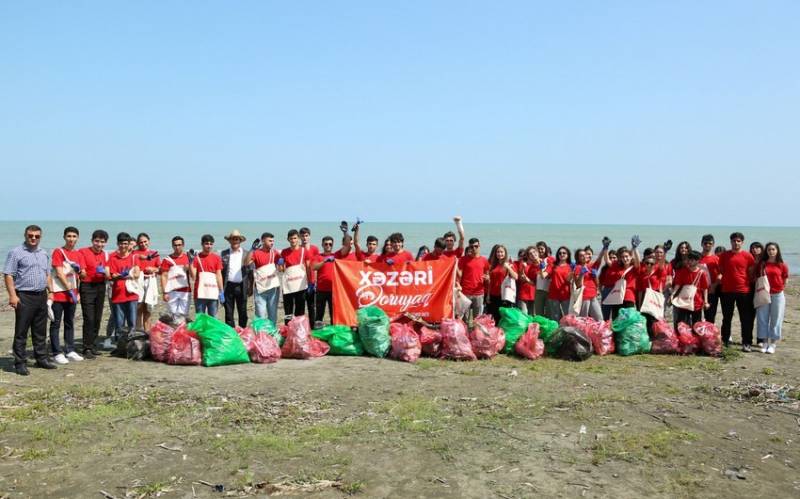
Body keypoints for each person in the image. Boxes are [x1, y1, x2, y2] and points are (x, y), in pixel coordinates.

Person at [4, 225, 54, 375]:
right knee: (21, 331)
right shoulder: (16, 252)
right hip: (24, 296)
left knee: (40, 330)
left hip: (41, 295)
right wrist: (13, 295)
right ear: (25, 235)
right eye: (30, 235)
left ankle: (41, 359)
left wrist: (51, 291)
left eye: (36, 236)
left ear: (40, 237)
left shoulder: (44, 253)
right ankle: (19, 362)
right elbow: (8, 275)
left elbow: (47, 274)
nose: (33, 238)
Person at [49, 226, 84, 364]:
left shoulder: (78, 254)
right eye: (69, 236)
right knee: (55, 323)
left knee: (69, 322)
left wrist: (78, 291)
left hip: (72, 294)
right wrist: (68, 287)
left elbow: (80, 275)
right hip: (59, 293)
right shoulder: (59, 251)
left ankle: (70, 350)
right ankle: (56, 352)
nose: (71, 239)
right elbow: (58, 272)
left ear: (77, 238)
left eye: (74, 236)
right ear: (64, 237)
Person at [719, 232, 756, 351]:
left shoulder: (748, 256)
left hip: (744, 291)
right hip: (727, 291)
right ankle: (725, 341)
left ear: (742, 242)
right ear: (730, 242)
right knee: (727, 317)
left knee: (745, 318)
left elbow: (751, 273)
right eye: (734, 241)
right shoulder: (724, 256)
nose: (736, 243)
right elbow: (722, 271)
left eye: (738, 241)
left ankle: (746, 342)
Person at [77, 230, 110, 358]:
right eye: (97, 241)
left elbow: (108, 271)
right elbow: (82, 270)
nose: (99, 244)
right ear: (92, 241)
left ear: (105, 243)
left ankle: (93, 344)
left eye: (102, 242)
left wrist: (107, 273)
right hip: (87, 286)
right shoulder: (83, 252)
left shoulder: (105, 255)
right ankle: (86, 348)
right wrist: (82, 272)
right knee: (89, 318)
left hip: (100, 286)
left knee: (97, 317)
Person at [108, 232, 141, 343]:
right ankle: (120, 345)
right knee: (119, 323)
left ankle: (131, 343)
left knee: (132, 322)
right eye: (121, 243)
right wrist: (127, 275)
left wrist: (121, 276)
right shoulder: (113, 258)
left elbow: (136, 274)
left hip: (132, 294)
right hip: (118, 294)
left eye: (125, 243)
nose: (123, 246)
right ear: (118, 243)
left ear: (129, 244)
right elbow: (112, 275)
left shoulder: (133, 258)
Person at [755, 242, 788, 354]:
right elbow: (757, 276)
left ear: (777, 250)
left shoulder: (782, 264)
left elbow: (785, 277)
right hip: (764, 293)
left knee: (776, 319)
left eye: (773, 249)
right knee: (762, 318)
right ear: (766, 251)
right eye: (769, 249)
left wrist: (781, 287)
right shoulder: (762, 264)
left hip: (778, 294)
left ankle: (773, 343)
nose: (771, 251)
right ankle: (764, 342)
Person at [601, 236, 641, 320]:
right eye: (623, 257)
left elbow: (638, 261)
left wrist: (635, 248)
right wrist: (606, 248)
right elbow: (607, 260)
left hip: (628, 297)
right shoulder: (618, 266)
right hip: (617, 296)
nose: (625, 258)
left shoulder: (634, 268)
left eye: (627, 256)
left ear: (631, 257)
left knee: (628, 320)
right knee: (616, 319)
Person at [246, 232, 281, 326]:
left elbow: (282, 269)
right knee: (260, 315)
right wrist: (251, 250)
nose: (272, 243)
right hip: (260, 289)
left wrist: (281, 263)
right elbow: (246, 263)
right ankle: (260, 336)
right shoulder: (256, 253)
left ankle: (272, 335)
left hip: (273, 289)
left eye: (273, 241)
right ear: (263, 240)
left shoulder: (275, 253)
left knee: (272, 315)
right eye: (270, 241)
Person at [221, 229, 252, 328]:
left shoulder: (246, 253)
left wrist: (251, 286)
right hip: (228, 286)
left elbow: (251, 271)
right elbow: (221, 271)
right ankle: (231, 333)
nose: (235, 241)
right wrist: (220, 289)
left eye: (237, 239)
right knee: (228, 313)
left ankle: (242, 332)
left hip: (242, 286)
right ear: (230, 241)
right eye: (233, 239)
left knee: (243, 311)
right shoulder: (224, 253)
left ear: (240, 241)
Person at [280, 229, 311, 323]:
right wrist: (280, 264)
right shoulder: (284, 252)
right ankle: (287, 332)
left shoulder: (304, 251)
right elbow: (282, 270)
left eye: (295, 238)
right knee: (288, 311)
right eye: (291, 238)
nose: (293, 240)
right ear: (288, 239)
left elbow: (308, 267)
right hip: (288, 286)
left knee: (300, 311)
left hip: (300, 286)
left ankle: (298, 332)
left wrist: (310, 282)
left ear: (298, 239)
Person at [671, 251, 709, 327]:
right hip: (684, 301)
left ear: (698, 260)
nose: (689, 261)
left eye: (692, 259)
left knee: (697, 324)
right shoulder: (683, 271)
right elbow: (678, 285)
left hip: (697, 302)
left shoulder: (702, 273)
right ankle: (683, 338)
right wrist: (672, 295)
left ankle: (696, 338)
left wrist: (705, 302)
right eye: (689, 259)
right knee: (681, 323)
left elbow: (705, 288)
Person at [160, 236, 192, 322]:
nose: (177, 247)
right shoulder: (167, 260)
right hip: (172, 291)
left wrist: (190, 267)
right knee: (173, 314)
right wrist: (164, 292)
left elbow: (194, 275)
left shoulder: (188, 258)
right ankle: (173, 333)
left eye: (179, 245)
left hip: (186, 291)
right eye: (175, 245)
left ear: (183, 245)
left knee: (183, 314)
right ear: (172, 246)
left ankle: (181, 333)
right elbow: (164, 276)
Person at [191, 234, 224, 316]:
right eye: (206, 243)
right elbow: (193, 276)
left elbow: (219, 275)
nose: (209, 246)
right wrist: (191, 263)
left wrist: (221, 291)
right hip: (200, 293)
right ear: (202, 244)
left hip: (213, 292)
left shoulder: (217, 258)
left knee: (213, 318)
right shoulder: (196, 258)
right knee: (200, 319)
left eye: (211, 244)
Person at [457, 238, 490, 321]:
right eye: (471, 246)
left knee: (477, 319)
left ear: (479, 246)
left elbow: (487, 276)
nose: (474, 248)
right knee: (465, 318)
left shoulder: (484, 260)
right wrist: (455, 266)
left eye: (476, 246)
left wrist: (487, 278)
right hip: (465, 292)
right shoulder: (463, 259)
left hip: (479, 293)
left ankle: (475, 334)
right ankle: (466, 333)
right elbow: (459, 275)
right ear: (469, 247)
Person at [133, 233, 160, 331]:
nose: (143, 244)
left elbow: (160, 269)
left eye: (145, 241)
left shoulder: (155, 253)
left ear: (149, 241)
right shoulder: (134, 253)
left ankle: (147, 332)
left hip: (150, 282)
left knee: (148, 309)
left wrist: (153, 269)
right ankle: (138, 331)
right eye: (140, 242)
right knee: (138, 308)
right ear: (137, 243)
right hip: (137, 282)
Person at [485, 244, 518, 323]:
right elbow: (490, 282)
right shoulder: (493, 265)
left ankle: (502, 333)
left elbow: (516, 277)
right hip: (493, 295)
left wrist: (509, 268)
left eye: (501, 252)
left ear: (505, 253)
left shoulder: (509, 265)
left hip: (504, 295)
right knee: (493, 316)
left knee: (503, 318)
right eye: (498, 252)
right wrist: (488, 295)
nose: (500, 254)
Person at [311, 236, 338, 328]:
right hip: (321, 289)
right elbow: (314, 267)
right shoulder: (318, 256)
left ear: (332, 245)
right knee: (319, 313)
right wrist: (325, 261)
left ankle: (333, 332)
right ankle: (318, 332)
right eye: (326, 244)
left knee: (333, 313)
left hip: (333, 290)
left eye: (330, 244)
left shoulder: (336, 256)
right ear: (322, 244)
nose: (328, 245)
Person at [574, 247, 602, 321]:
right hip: (584, 296)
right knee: (583, 319)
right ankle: (582, 332)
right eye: (581, 256)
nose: (584, 257)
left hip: (593, 295)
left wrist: (604, 248)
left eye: (585, 255)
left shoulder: (591, 266)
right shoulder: (577, 268)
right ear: (578, 258)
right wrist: (581, 274)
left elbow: (597, 283)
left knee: (599, 318)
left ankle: (600, 331)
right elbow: (578, 285)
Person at [546, 246, 573, 322]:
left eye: (564, 253)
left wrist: (572, 272)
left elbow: (568, 280)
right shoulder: (553, 265)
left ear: (568, 255)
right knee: (555, 316)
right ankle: (557, 332)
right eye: (560, 253)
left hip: (565, 293)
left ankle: (567, 332)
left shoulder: (570, 266)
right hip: (553, 294)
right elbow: (546, 276)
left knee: (567, 315)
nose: (562, 254)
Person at [299, 227, 320, 323]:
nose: (304, 238)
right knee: (301, 307)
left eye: (306, 235)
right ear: (299, 237)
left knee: (312, 306)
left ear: (309, 236)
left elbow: (317, 265)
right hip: (300, 282)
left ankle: (312, 326)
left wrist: (315, 281)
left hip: (312, 281)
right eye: (302, 236)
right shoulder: (298, 249)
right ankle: (302, 327)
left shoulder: (314, 249)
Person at [699, 234, 721, 323]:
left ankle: (709, 335)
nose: (707, 245)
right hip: (698, 291)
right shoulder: (697, 257)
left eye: (710, 243)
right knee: (696, 316)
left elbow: (721, 274)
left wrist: (714, 286)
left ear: (713, 244)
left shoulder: (716, 259)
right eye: (705, 243)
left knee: (710, 316)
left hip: (711, 291)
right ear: (701, 244)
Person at [531, 241, 553, 316]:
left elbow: (545, 275)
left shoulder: (550, 259)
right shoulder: (534, 262)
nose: (540, 251)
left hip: (549, 290)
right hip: (538, 289)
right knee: (538, 312)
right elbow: (533, 276)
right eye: (538, 249)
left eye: (542, 249)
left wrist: (541, 268)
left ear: (545, 249)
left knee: (549, 312)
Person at [515, 247, 536, 315]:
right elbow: (520, 278)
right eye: (530, 254)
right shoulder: (523, 264)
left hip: (534, 292)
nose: (532, 255)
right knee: (523, 314)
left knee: (533, 314)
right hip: (524, 292)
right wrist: (523, 268)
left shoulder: (536, 264)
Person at [599, 248, 618, 320]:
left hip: (617, 292)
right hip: (607, 291)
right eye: (610, 257)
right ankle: (605, 329)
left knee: (616, 314)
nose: (612, 259)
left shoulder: (619, 268)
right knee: (605, 314)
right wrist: (601, 292)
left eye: (614, 257)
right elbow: (600, 282)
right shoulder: (604, 268)